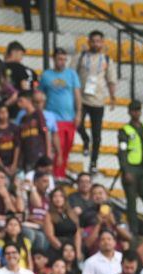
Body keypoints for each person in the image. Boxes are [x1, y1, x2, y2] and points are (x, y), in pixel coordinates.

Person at [74, 31, 116, 173]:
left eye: (99, 41)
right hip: (81, 98)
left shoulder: (107, 59)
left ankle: (93, 162)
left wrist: (112, 96)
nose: (96, 44)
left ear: (103, 42)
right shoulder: (80, 57)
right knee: (77, 124)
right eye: (93, 41)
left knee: (97, 135)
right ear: (88, 42)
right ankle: (85, 140)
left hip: (98, 101)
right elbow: (71, 73)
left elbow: (111, 80)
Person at [39, 48, 80, 180]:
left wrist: (79, 113)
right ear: (54, 59)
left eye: (64, 59)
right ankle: (55, 175)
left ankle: (61, 173)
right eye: (59, 59)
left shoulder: (72, 74)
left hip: (70, 118)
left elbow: (77, 95)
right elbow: (41, 95)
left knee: (67, 147)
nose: (62, 62)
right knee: (58, 147)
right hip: (53, 117)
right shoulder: (46, 75)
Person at [118, 100, 143, 235]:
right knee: (132, 202)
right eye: (134, 110)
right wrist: (125, 170)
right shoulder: (125, 130)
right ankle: (133, 230)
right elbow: (121, 151)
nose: (136, 112)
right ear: (129, 112)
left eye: (138, 110)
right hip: (132, 167)